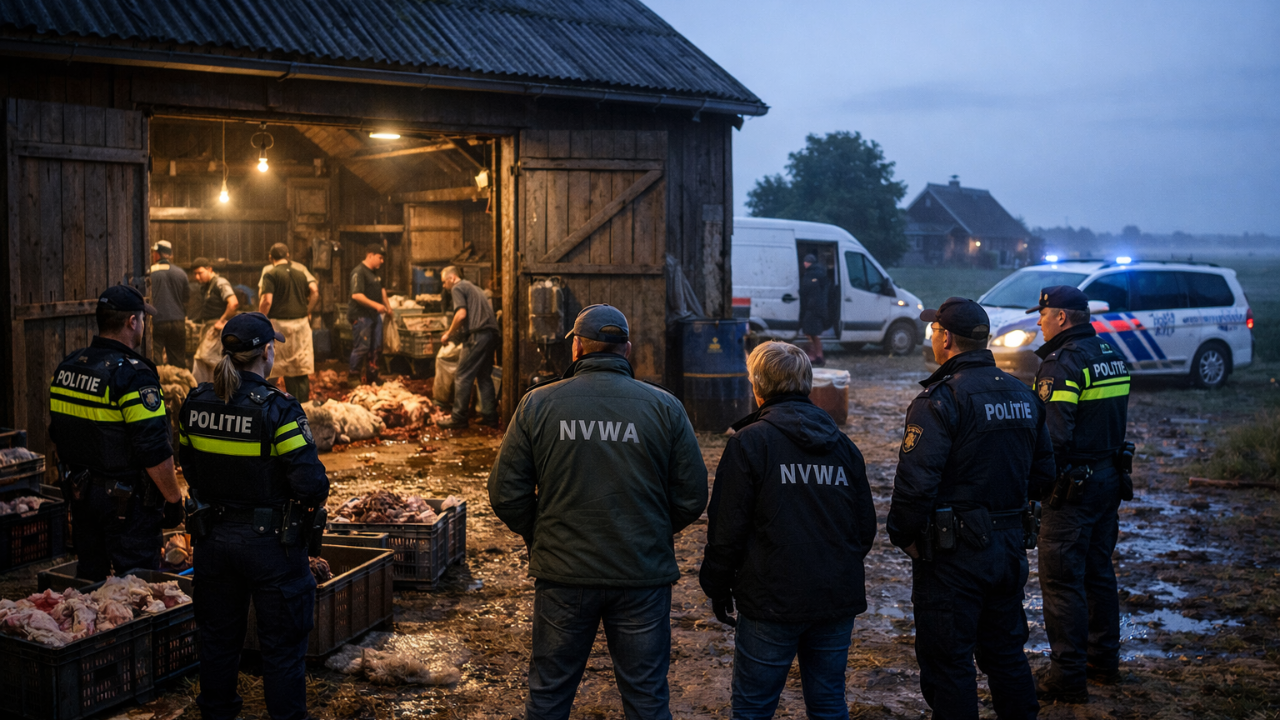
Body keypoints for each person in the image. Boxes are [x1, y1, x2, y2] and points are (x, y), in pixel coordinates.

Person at [488, 304, 708, 720]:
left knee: (549, 696)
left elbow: (505, 493)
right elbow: (692, 496)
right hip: (641, 574)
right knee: (646, 697)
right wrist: (650, 531)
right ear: (627, 349)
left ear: (576, 348)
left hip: (564, 574)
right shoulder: (665, 407)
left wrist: (543, 534)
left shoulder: (537, 404)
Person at [888, 297, 1055, 720]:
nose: (931, 337)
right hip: (1008, 548)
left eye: (934, 331)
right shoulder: (1023, 394)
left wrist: (903, 535)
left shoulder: (940, 400)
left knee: (949, 664)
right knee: (1006, 654)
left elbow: (916, 484)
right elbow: (1043, 476)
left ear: (946, 338)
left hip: (953, 557)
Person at [699, 340, 876, 719]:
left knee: (753, 708)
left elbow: (726, 530)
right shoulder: (843, 447)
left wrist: (717, 586)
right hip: (833, 597)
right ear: (807, 384)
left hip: (770, 599)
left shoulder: (749, 443)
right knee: (829, 702)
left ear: (757, 386)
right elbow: (865, 528)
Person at [177, 312, 328, 720]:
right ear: (266, 352)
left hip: (212, 542)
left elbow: (189, 467)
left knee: (218, 642)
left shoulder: (195, 403)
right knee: (282, 649)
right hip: (271, 548)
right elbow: (311, 485)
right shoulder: (279, 409)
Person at [1028, 286, 1132, 703]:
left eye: (1043, 314)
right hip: (1108, 481)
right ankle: (1102, 662)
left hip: (1071, 492)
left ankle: (1067, 675)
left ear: (1062, 317)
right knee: (1098, 573)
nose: (1039, 321)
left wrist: (1034, 490)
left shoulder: (1062, 364)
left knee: (1061, 581)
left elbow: (1052, 439)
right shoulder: (1110, 354)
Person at [47, 284, 185, 581]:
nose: (143, 325)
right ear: (132, 322)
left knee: (91, 582)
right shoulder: (133, 376)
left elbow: (57, 434)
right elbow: (154, 450)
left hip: (81, 495)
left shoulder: (68, 367)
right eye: (143, 319)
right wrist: (174, 501)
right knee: (135, 587)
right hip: (126, 506)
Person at [437, 266, 500, 428]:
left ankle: (458, 418)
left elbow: (461, 315)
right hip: (491, 335)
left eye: (444, 282)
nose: (444, 286)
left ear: (452, 278)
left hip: (477, 336)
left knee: (462, 375)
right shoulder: (474, 287)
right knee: (484, 376)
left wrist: (448, 334)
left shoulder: (457, 287)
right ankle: (490, 416)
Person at [260, 243, 319, 401]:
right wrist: (307, 310)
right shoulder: (301, 273)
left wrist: (260, 318)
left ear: (270, 257)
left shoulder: (270, 273)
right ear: (288, 256)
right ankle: (302, 405)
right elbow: (314, 290)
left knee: (274, 367)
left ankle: (267, 403)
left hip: (279, 326)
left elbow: (267, 300)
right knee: (300, 369)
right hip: (301, 325)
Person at [191, 258, 240, 383]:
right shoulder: (206, 286)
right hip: (209, 327)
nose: (197, 277)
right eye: (195, 274)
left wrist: (222, 321)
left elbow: (233, 303)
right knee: (206, 362)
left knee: (203, 359)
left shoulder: (220, 282)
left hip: (217, 329)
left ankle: (206, 389)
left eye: (200, 273)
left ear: (210, 269)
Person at [348, 247, 390, 385]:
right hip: (361, 316)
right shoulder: (359, 272)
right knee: (362, 347)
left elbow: (382, 291)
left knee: (376, 347)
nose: (382, 261)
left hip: (374, 315)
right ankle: (353, 377)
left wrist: (388, 307)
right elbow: (356, 295)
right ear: (370, 255)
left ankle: (372, 376)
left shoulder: (376, 274)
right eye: (380, 258)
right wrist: (376, 305)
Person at [149, 240, 190, 368]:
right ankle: (180, 380)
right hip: (178, 321)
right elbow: (186, 298)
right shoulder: (181, 273)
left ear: (157, 254)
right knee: (178, 361)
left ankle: (158, 380)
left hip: (157, 321)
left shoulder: (150, 272)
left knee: (156, 359)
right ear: (170, 255)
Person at [799, 253, 830, 366]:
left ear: (808, 263)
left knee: (811, 333)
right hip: (816, 308)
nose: (804, 263)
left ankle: (818, 356)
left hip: (812, 308)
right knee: (811, 333)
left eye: (805, 262)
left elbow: (806, 290)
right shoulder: (820, 272)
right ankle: (817, 356)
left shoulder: (811, 274)